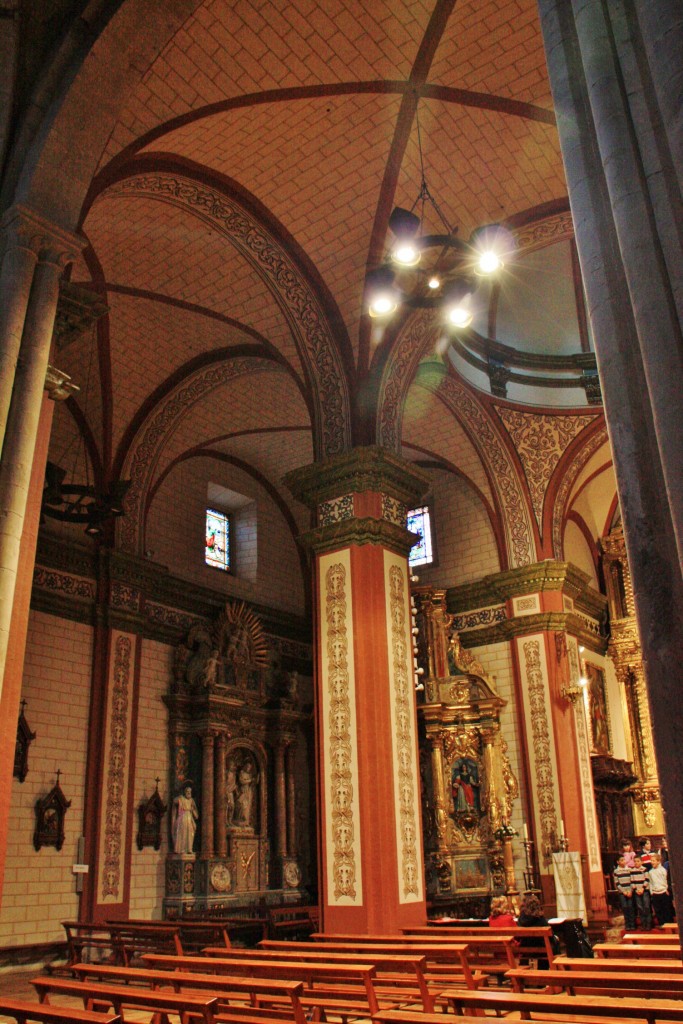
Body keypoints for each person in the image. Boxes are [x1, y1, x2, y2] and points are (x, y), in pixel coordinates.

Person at [517, 893, 555, 968]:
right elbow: (550, 936)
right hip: (541, 950)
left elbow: (517, 937)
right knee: (553, 943)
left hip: (525, 949)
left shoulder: (521, 919)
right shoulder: (540, 919)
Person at [171, 784, 199, 854]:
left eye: (190, 791)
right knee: (182, 833)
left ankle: (189, 848)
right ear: (184, 792)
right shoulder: (181, 798)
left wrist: (192, 810)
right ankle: (181, 849)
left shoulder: (192, 800)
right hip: (182, 817)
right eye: (187, 791)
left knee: (190, 833)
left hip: (189, 818)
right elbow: (174, 801)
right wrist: (179, 797)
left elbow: (196, 814)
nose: (189, 793)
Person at [649, 853, 674, 925]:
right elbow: (650, 882)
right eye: (651, 860)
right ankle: (661, 924)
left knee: (666, 909)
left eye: (653, 860)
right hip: (655, 893)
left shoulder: (663, 870)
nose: (652, 862)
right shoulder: (650, 872)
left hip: (663, 892)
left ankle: (669, 924)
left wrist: (666, 889)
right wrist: (652, 892)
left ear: (658, 861)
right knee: (658, 910)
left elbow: (665, 880)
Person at [614, 854, 636, 930]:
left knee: (630, 907)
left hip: (629, 891)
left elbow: (632, 880)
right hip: (622, 893)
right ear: (618, 862)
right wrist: (623, 891)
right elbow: (617, 883)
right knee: (625, 907)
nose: (624, 861)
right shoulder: (616, 871)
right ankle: (627, 924)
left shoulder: (629, 870)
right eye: (621, 860)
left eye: (624, 860)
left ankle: (632, 924)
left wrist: (630, 891)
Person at [631, 855, 652, 930]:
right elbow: (632, 881)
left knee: (646, 906)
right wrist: (636, 889)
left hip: (644, 890)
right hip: (637, 891)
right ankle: (643, 924)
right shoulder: (632, 871)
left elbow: (647, 879)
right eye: (635, 861)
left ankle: (649, 924)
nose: (636, 863)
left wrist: (642, 888)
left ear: (641, 862)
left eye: (638, 861)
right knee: (640, 907)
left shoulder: (644, 869)